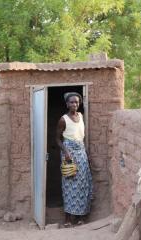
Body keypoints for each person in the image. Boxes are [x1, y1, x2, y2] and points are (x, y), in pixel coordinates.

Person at [56, 92, 93, 227]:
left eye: (77, 102)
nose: (74, 104)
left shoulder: (81, 116)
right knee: (69, 184)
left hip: (81, 152)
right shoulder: (63, 120)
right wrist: (65, 152)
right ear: (67, 104)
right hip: (69, 154)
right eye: (71, 102)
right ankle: (67, 218)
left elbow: (81, 138)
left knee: (82, 185)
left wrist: (87, 155)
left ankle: (79, 217)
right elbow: (57, 139)